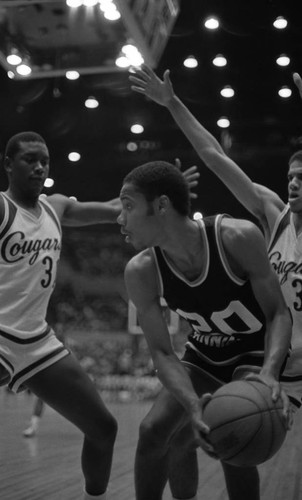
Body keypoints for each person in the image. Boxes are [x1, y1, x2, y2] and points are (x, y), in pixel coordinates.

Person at [0, 130, 197, 499]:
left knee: (103, 428)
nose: (39, 166)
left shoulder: (54, 207)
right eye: (29, 159)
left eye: (44, 160)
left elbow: (113, 210)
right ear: (9, 165)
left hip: (35, 340)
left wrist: (156, 197)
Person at [117, 159, 292, 500]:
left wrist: (270, 373)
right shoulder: (140, 271)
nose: (120, 219)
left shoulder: (236, 236)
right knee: (153, 431)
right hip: (204, 354)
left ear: (162, 205)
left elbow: (278, 313)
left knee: (236, 438)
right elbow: (163, 352)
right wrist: (191, 404)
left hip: (254, 349)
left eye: (127, 206)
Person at [129, 65, 302, 407]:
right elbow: (214, 157)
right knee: (226, 438)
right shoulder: (274, 214)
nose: (293, 183)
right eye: (291, 176)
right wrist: (173, 102)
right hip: (273, 366)